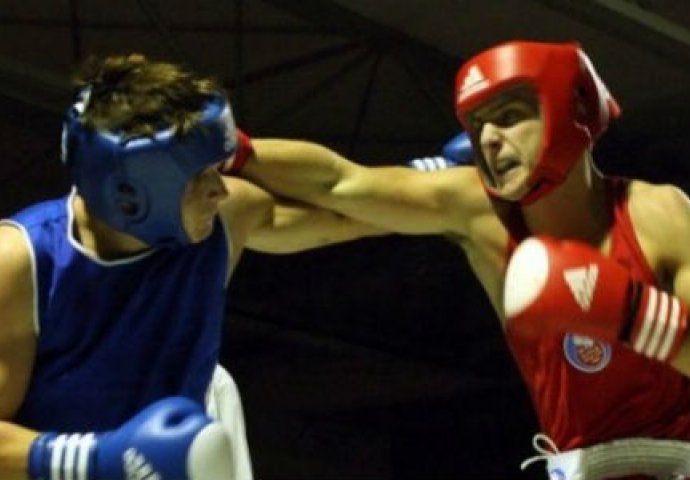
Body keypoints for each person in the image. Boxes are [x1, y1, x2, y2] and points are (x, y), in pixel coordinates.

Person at [236, 40, 690, 479]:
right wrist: (227, 147)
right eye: (478, 125)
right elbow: (338, 184)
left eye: (508, 117)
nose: (489, 138)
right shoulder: (479, 210)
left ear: (574, 109)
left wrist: (630, 312)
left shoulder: (659, 214)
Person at [0, 54, 382, 480]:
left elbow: (350, 208)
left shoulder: (220, 224)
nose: (221, 189)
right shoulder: (20, 260)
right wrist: (100, 459)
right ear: (134, 192)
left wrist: (430, 180)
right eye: (199, 175)